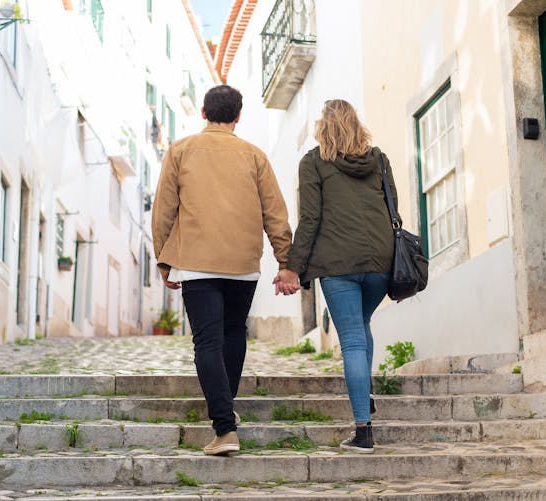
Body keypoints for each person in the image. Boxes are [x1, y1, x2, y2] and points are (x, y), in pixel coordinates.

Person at [152, 84, 298, 456]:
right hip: (242, 263)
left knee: (207, 341)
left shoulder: (180, 150)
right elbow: (275, 213)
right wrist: (285, 261)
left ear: (203, 112)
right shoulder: (254, 155)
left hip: (196, 263)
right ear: (237, 116)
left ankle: (224, 426)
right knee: (234, 333)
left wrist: (163, 258)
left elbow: (164, 210)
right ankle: (225, 415)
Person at [276, 99, 398, 454]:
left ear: (322, 127)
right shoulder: (379, 159)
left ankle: (363, 430)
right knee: (361, 326)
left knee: (352, 342)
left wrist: (292, 268)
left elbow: (310, 219)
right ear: (357, 125)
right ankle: (366, 393)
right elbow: (394, 211)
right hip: (380, 261)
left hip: (338, 265)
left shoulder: (313, 162)